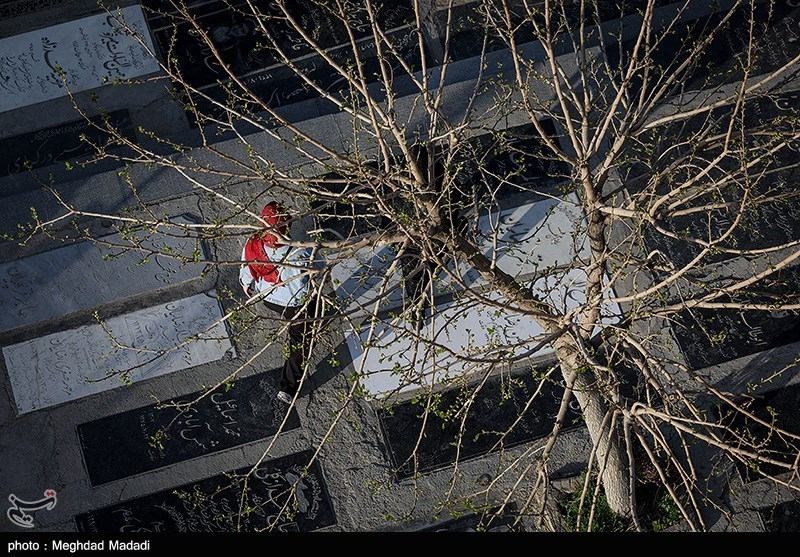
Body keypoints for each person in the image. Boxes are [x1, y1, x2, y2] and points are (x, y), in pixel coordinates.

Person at [239, 201, 314, 405]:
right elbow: (319, 272)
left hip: (268, 298)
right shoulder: (300, 250)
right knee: (300, 340)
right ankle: (288, 387)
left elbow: (246, 273)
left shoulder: (253, 242)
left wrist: (248, 284)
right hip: (294, 304)